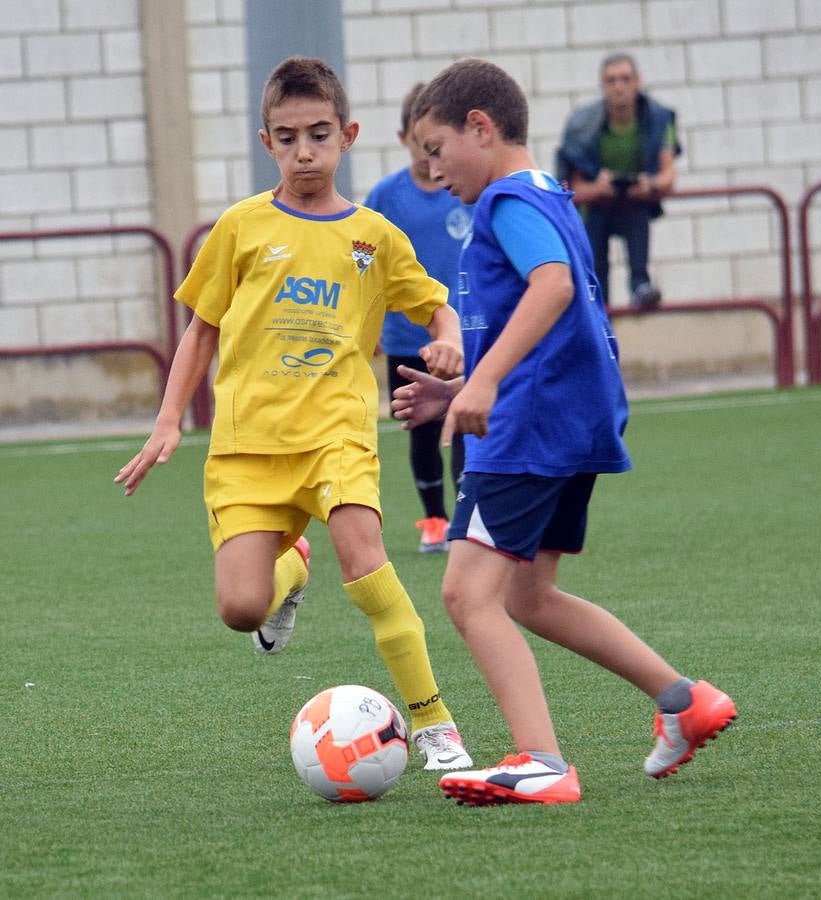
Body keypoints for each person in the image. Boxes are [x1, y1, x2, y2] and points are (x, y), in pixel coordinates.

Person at [390, 58, 735, 805]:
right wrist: (459, 387)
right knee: (528, 594)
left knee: (465, 594)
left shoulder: (507, 201)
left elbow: (550, 287)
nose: (431, 166)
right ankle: (683, 701)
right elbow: (550, 311)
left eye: (436, 147)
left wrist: (483, 384)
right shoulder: (546, 191)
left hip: (528, 428)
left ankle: (540, 760)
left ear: (479, 128)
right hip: (567, 419)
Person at [114, 56, 472, 772]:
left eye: (317, 133)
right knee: (240, 609)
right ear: (265, 141)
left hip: (336, 435)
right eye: (287, 137)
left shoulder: (373, 234)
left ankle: (434, 723)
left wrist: (449, 341)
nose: (303, 151)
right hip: (248, 446)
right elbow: (202, 328)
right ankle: (290, 572)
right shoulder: (241, 228)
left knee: (366, 563)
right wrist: (167, 420)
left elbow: (433, 303)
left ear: (346, 135)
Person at [364, 83, 470, 554]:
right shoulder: (386, 196)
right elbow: (361, 264)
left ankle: (468, 517)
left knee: (465, 420)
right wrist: (366, 324)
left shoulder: (464, 190)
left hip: (463, 335)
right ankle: (434, 520)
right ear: (404, 136)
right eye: (419, 141)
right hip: (407, 337)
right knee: (421, 430)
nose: (429, 153)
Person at [555, 52, 679, 308]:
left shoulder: (659, 118)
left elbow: (668, 176)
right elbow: (571, 188)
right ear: (602, 86)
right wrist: (598, 188)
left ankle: (640, 285)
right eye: (611, 80)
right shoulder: (582, 125)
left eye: (625, 79)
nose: (619, 87)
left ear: (637, 81)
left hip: (634, 205)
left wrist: (649, 185)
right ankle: (598, 301)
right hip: (596, 208)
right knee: (596, 278)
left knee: (636, 213)